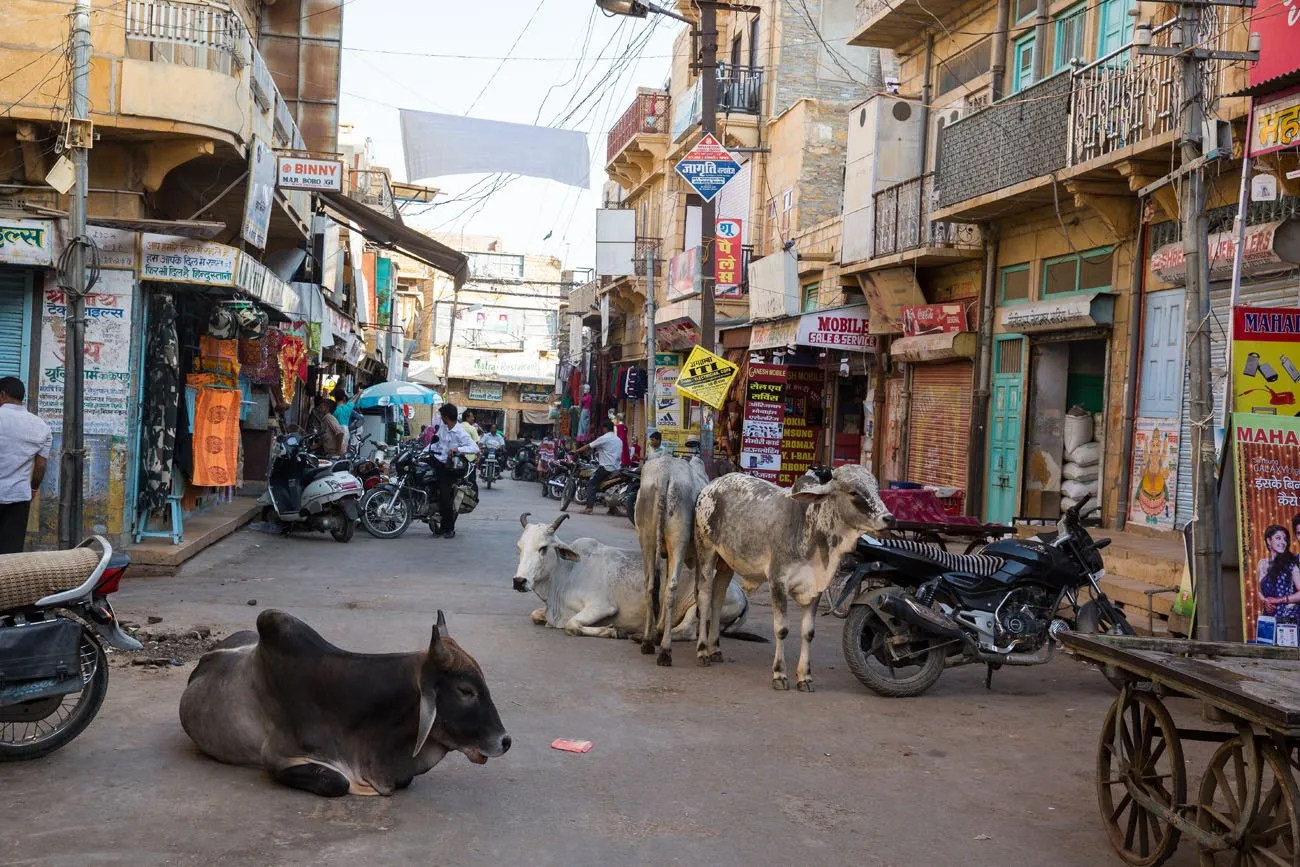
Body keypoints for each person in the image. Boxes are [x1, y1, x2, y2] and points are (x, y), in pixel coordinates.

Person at [0, 377, 52, 555]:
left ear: (2, 395)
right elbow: (40, 467)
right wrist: (34, 489)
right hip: (19, 497)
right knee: (10, 554)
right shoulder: (41, 427)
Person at [422, 402, 478, 539]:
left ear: (446, 417)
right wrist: (422, 452)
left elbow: (474, 448)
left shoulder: (460, 432)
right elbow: (436, 444)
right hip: (439, 461)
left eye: (442, 415)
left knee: (445, 496)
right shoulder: (443, 428)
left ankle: (449, 528)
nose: (441, 418)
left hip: (451, 468)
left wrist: (458, 449)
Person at [568, 425, 623, 515]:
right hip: (617, 468)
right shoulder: (618, 440)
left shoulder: (605, 438)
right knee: (609, 487)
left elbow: (589, 446)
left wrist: (576, 451)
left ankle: (589, 508)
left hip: (606, 467)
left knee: (591, 484)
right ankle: (613, 509)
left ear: (605, 428)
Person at [1259, 524, 1300, 623]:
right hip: (1268, 617)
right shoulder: (1262, 564)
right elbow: (1259, 592)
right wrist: (1265, 602)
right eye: (1278, 538)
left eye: (1285, 539)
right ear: (1269, 541)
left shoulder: (1291, 564)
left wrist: (1278, 600)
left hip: (1288, 617)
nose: (1283, 542)